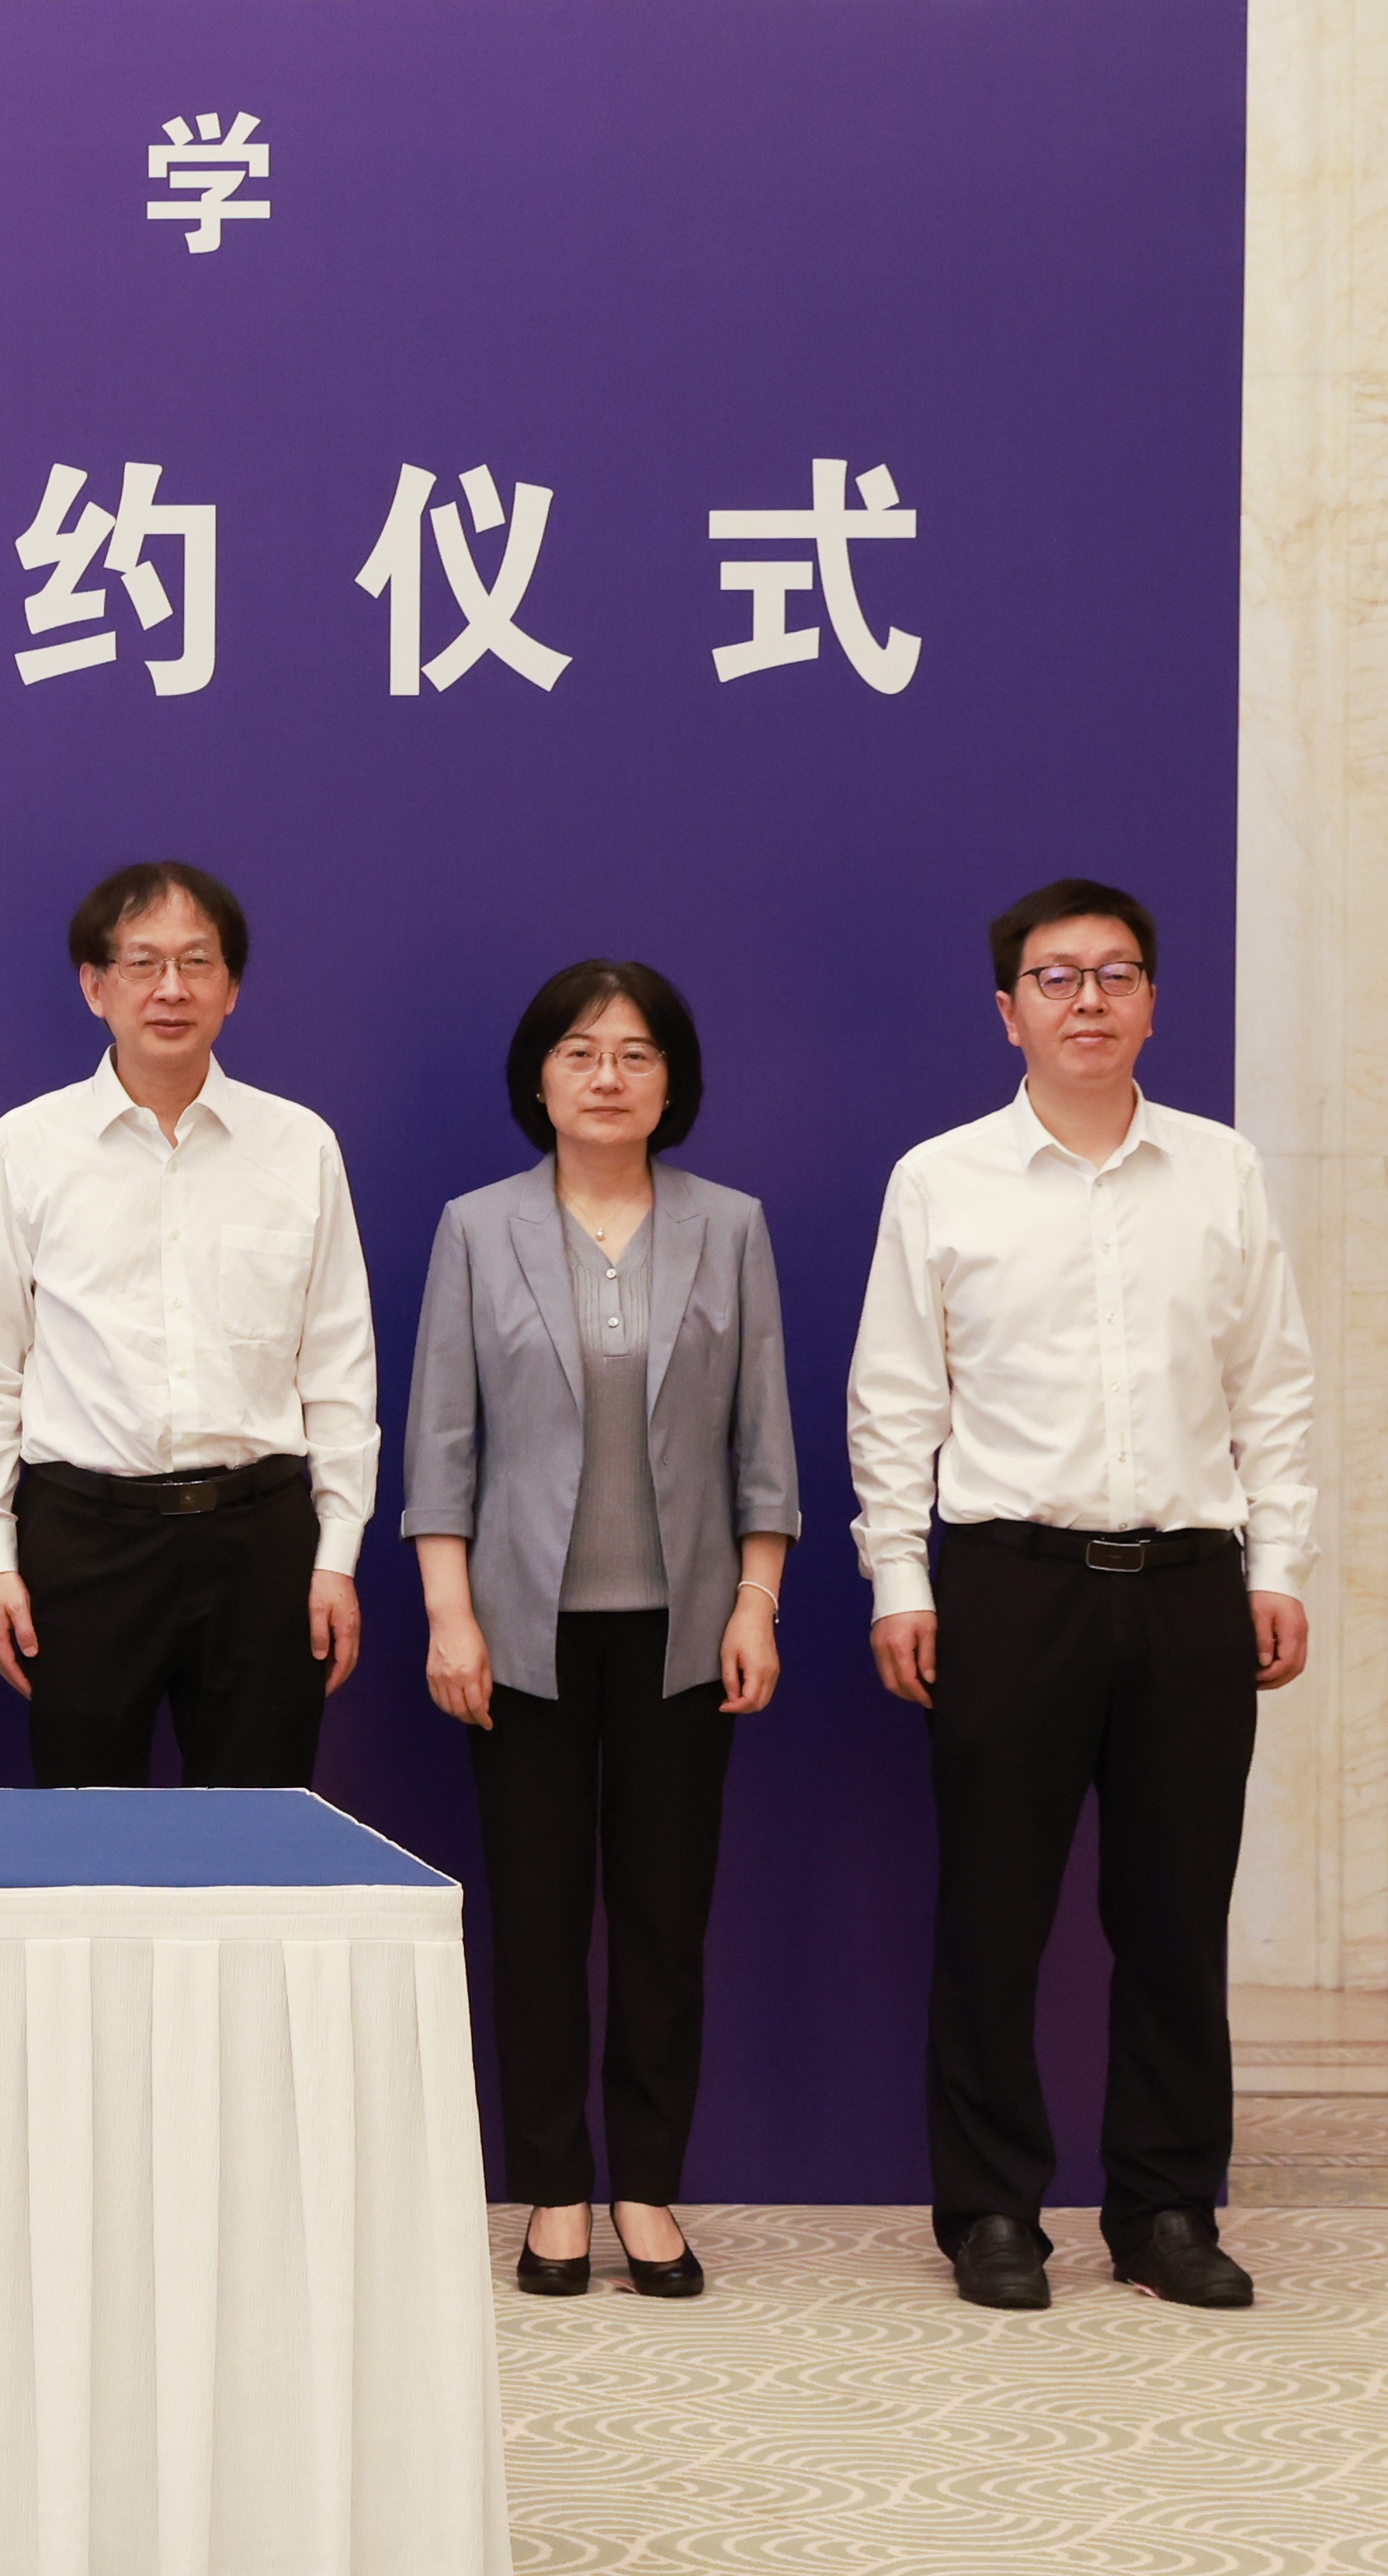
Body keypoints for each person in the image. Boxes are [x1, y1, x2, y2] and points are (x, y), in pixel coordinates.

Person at [848, 878, 1315, 2313]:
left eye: (1115, 974)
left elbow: (1273, 1385)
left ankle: (1165, 2205)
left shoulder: (1220, 1170)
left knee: (1174, 1915)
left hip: (1188, 1582)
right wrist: (897, 1575)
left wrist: (1277, 1565)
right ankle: (991, 2209)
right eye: (1056, 978)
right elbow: (895, 1397)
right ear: (1009, 1012)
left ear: (1152, 1003)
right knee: (992, 1914)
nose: (1088, 999)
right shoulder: (942, 1178)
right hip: (1011, 1583)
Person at [404, 961, 798, 2302]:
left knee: (662, 1919)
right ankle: (553, 2186)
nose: (607, 1075)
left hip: (684, 1633)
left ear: (671, 1080)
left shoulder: (729, 1226)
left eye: (634, 1053)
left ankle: (647, 2184)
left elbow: (762, 1443)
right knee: (535, 1917)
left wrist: (756, 1600)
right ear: (539, 1078)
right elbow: (441, 1443)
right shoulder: (477, 1228)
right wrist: (450, 1615)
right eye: (579, 1051)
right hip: (519, 1633)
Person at [0, 861, 379, 1790]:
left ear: (232, 986)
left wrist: (337, 1554)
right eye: (142, 963)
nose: (170, 989)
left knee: (259, 1834)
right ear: (95, 986)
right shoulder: (25, 1147)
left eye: (196, 962)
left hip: (262, 1541)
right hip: (84, 1542)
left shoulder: (299, 1145)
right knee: (89, 1840)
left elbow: (340, 1369)